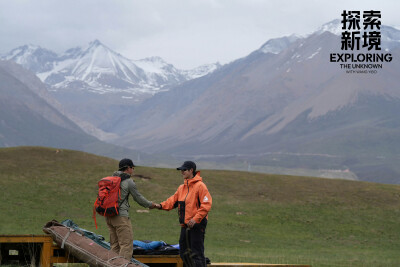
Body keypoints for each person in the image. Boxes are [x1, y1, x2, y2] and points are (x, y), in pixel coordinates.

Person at [157, 161, 212, 267]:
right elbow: (172, 201)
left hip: (197, 224)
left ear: (191, 170)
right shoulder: (182, 187)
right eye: (181, 170)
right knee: (184, 253)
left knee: (197, 254)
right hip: (185, 225)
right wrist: (160, 205)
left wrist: (195, 219)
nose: (182, 172)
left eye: (184, 170)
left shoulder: (201, 186)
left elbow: (206, 205)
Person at [106, 158, 157, 260]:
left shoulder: (111, 179)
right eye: (133, 168)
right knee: (126, 245)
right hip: (121, 216)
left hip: (109, 215)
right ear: (128, 168)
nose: (133, 170)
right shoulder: (128, 181)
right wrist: (151, 205)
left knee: (114, 246)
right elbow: (138, 198)